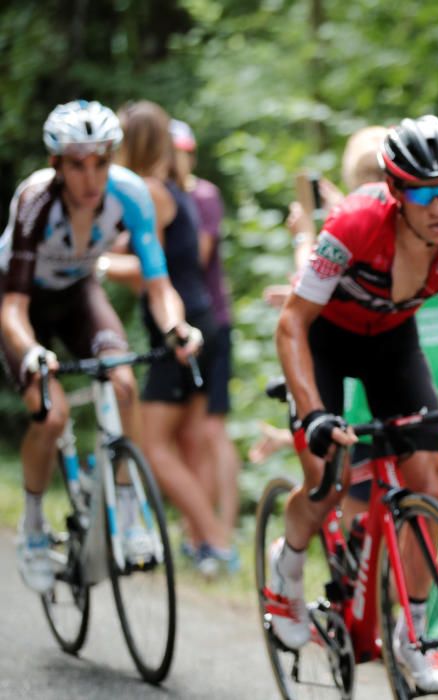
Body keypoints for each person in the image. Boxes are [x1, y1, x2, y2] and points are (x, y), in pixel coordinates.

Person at [270, 115, 438, 693]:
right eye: (422, 192)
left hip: (391, 343)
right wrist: (313, 409)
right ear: (396, 191)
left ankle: (414, 634)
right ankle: (287, 569)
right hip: (324, 339)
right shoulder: (351, 225)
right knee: (325, 479)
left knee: (423, 479)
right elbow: (291, 325)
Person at [0, 100, 201, 592]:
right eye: (77, 164)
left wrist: (178, 328)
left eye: (101, 163)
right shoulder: (34, 202)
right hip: (23, 306)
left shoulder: (131, 194)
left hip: (78, 295)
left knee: (124, 382)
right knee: (50, 415)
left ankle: (128, 511)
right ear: (57, 165)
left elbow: (159, 286)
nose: (91, 178)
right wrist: (31, 352)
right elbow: (12, 308)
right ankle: (31, 526)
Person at [115, 100, 234, 575]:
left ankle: (215, 540)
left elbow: (150, 269)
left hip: (177, 327)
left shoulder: (146, 191)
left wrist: (98, 264)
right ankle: (206, 543)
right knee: (189, 437)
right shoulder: (171, 188)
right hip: (201, 318)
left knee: (152, 443)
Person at [169, 119, 241, 569]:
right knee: (187, 435)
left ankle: (223, 532)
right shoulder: (159, 197)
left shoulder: (203, 196)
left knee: (212, 431)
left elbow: (195, 255)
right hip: (180, 325)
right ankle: (196, 535)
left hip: (212, 322)